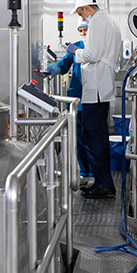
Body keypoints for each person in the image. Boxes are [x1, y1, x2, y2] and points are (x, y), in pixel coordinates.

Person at [72, 0, 122, 199]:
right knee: (99, 135)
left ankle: (103, 183)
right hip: (102, 85)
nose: (82, 19)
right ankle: (103, 182)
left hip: (97, 87)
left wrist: (76, 50)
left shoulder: (98, 22)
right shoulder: (109, 21)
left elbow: (92, 55)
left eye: (81, 13)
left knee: (92, 134)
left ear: (86, 8)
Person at [45, 21, 94, 183]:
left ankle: (95, 171)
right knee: (79, 137)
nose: (83, 32)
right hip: (77, 97)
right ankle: (85, 172)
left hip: (94, 97)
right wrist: (53, 69)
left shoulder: (97, 46)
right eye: (80, 30)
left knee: (92, 137)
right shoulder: (75, 47)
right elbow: (64, 66)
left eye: (85, 29)